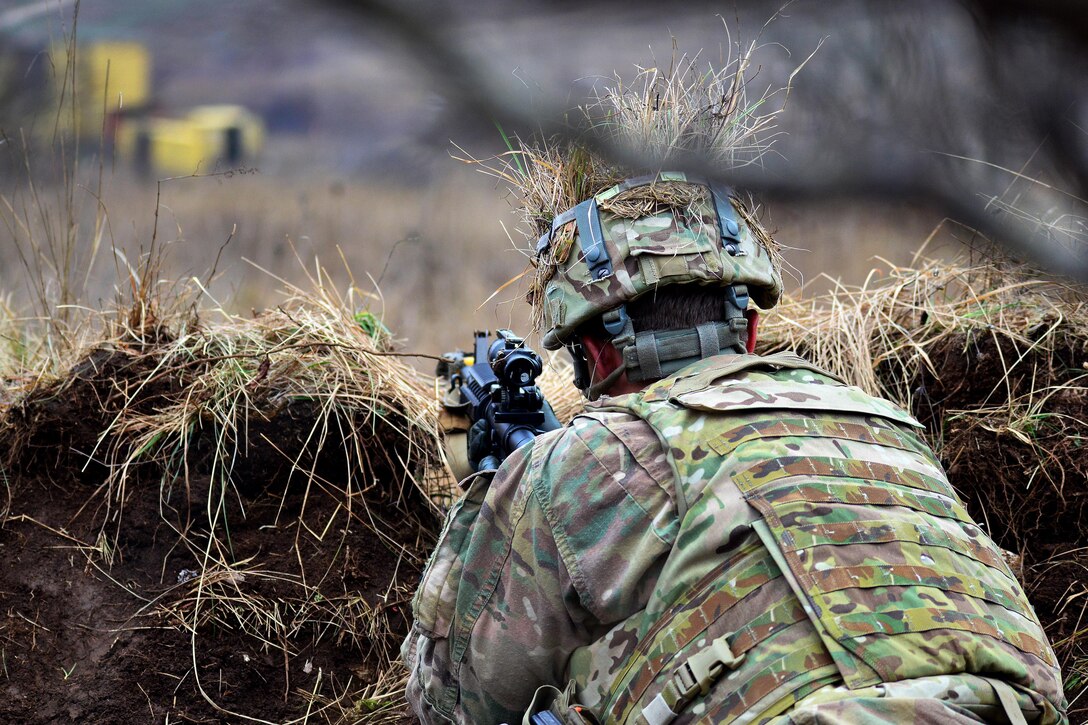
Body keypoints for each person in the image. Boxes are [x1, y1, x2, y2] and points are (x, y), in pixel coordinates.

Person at [401, 173, 1067, 724]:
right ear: (749, 328)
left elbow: (452, 702)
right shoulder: (890, 426)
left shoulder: (583, 460)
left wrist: (490, 490)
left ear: (596, 353)